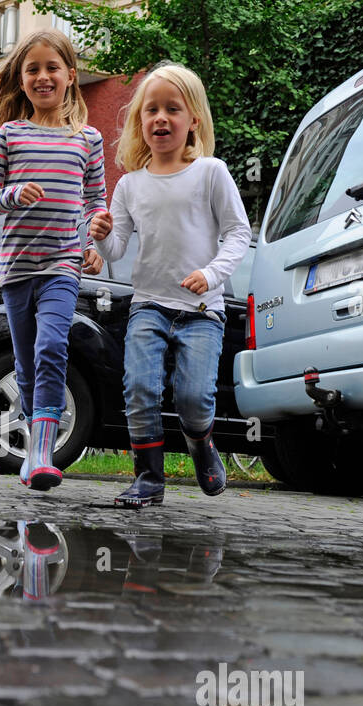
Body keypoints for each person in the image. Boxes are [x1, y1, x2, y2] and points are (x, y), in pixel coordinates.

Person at [0, 29, 107, 491]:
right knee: (24, 362)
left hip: (62, 263)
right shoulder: (10, 135)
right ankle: (32, 443)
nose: (43, 76)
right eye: (32, 70)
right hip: (17, 266)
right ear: (21, 81)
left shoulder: (87, 139)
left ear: (70, 77)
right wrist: (12, 195)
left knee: (51, 347)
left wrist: (94, 241)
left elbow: (95, 201)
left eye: (52, 68)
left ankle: (41, 452)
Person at [91, 63, 251, 507]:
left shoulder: (211, 172)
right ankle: (148, 479)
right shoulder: (129, 185)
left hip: (202, 311)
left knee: (194, 398)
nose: (160, 118)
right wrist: (102, 234)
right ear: (140, 122)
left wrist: (212, 273)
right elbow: (117, 251)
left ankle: (201, 443)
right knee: (139, 389)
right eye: (151, 110)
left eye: (172, 109)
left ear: (193, 120)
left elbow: (239, 233)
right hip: (148, 305)